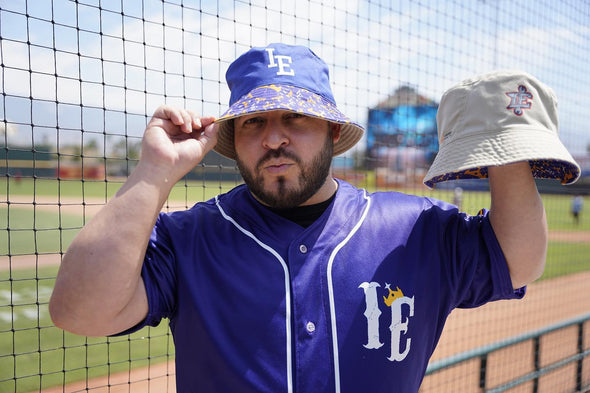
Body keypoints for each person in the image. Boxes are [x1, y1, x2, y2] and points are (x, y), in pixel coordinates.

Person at [50, 44, 564, 393]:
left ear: (333, 133)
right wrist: (154, 171)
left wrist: (507, 145)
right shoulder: (189, 237)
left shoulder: (416, 228)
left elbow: (518, 260)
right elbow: (80, 312)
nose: (274, 137)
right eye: (254, 121)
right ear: (234, 140)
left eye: (294, 117)